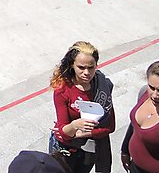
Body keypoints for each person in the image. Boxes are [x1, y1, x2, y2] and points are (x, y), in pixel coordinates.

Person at [49, 41, 115, 173]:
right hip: (66, 148)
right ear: (72, 65)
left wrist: (87, 133)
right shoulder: (63, 90)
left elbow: (110, 126)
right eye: (81, 67)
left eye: (91, 67)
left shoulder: (102, 85)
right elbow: (63, 132)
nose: (86, 73)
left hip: (89, 149)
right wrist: (75, 125)